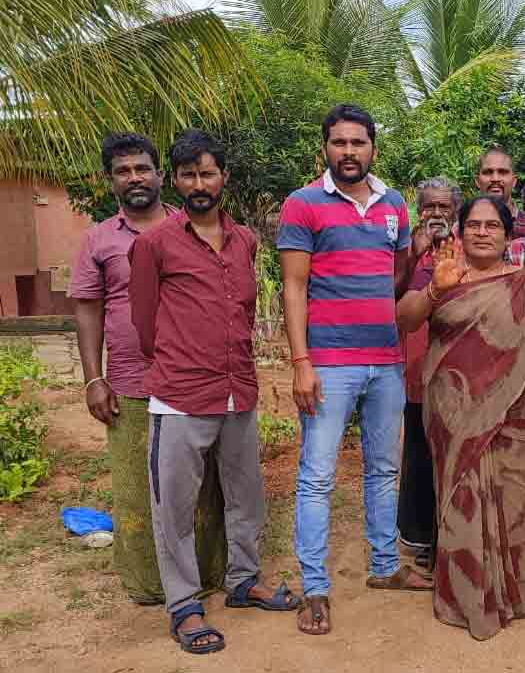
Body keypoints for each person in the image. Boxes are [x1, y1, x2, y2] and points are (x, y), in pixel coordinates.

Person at [129, 129, 299, 655]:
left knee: (247, 496)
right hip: (180, 395)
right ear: (173, 180)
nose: (198, 184)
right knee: (174, 508)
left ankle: (244, 581)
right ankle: (183, 605)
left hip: (237, 391)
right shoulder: (154, 243)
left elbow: (244, 311)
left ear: (223, 176)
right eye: (187, 174)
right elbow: (144, 323)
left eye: (207, 173)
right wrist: (181, 362)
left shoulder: (245, 239)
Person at [277, 104, 422, 637]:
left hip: (386, 361)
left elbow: (398, 273)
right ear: (325, 150)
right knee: (316, 479)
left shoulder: (395, 205)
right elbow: (294, 287)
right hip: (329, 365)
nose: (348, 152)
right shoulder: (303, 205)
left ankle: (384, 568)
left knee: (384, 471)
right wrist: (301, 363)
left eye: (358, 143)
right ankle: (315, 589)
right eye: (338, 143)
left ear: (372, 149)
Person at [396, 196, 525, 640]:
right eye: (473, 224)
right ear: (460, 230)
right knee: (460, 498)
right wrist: (435, 289)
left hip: (509, 414)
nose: (482, 232)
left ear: (508, 234)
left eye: (493, 225)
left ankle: (510, 592)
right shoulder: (444, 272)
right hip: (452, 415)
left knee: (510, 496)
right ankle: (465, 598)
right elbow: (405, 318)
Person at [70, 132, 228, 606]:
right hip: (131, 386)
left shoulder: (194, 226)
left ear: (162, 174)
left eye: (142, 168)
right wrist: (94, 379)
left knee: (201, 487)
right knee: (139, 489)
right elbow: (87, 310)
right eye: (123, 171)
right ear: (110, 181)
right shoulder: (99, 239)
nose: (134, 178)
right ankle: (147, 585)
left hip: (192, 382)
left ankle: (208, 575)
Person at [397, 177, 463, 571]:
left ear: (455, 211)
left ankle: (455, 534)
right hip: (416, 367)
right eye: (429, 207)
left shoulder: (465, 246)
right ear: (419, 209)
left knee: (455, 456)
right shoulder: (406, 246)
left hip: (456, 370)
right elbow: (391, 296)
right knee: (421, 455)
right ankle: (423, 536)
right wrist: (412, 255)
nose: (436, 214)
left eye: (444, 207)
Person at [475, 146, 525, 239]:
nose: (495, 179)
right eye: (488, 172)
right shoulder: (463, 226)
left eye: (503, 172)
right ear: (477, 181)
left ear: (514, 181)